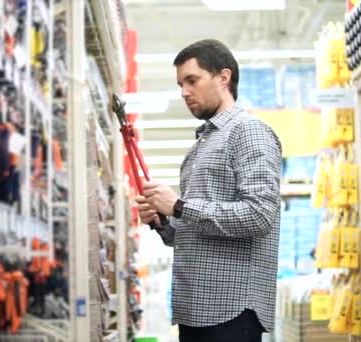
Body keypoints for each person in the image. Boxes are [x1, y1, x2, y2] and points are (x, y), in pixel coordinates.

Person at [136, 39, 282, 342]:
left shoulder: (248, 131)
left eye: (192, 80)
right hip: (196, 309)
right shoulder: (200, 147)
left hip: (231, 311)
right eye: (180, 84)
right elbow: (190, 234)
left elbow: (259, 215)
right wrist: (162, 222)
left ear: (223, 77)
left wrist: (178, 206)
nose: (184, 92)